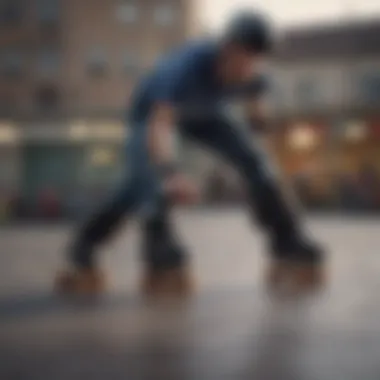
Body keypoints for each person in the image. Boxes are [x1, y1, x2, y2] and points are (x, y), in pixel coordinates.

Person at [56, 11, 325, 297]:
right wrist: (170, 174)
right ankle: (127, 245)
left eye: (257, 60)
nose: (249, 68)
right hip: (150, 115)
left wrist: (267, 158)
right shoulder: (186, 67)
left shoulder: (255, 77)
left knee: (256, 162)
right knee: (145, 181)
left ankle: (287, 240)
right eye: (245, 58)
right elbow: (160, 127)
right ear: (227, 49)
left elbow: (255, 114)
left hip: (205, 115)